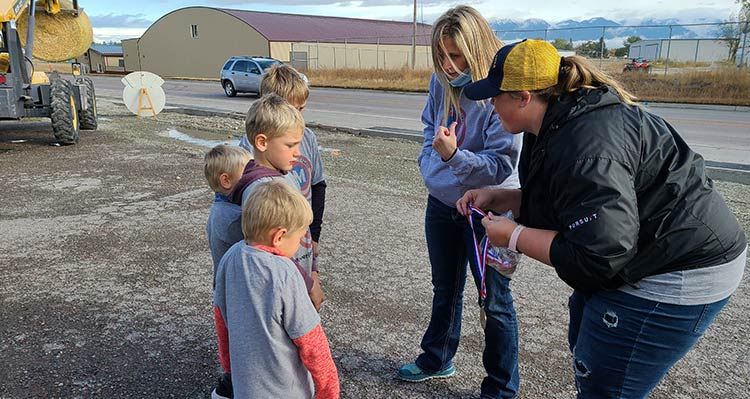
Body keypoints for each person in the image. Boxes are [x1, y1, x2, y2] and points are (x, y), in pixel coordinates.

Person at [458, 39, 747, 399]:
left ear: (524, 97)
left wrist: (514, 236)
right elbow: (577, 201)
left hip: (680, 268)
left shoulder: (584, 144)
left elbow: (599, 254)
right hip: (645, 249)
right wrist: (507, 198)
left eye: (496, 95)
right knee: (586, 341)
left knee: (605, 386)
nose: (491, 104)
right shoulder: (556, 121)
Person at [396, 6, 523, 399]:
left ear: (477, 49)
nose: (449, 66)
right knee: (444, 288)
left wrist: (452, 157)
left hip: (488, 211)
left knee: (495, 301)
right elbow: (427, 130)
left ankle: (501, 388)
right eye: (442, 56)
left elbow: (500, 169)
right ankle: (437, 358)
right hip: (441, 205)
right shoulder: (441, 82)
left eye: (457, 56)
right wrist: (431, 164)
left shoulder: (498, 91)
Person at [214, 179, 339, 399]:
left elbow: (221, 319)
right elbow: (311, 340)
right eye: (298, 238)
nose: (299, 245)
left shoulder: (230, 257)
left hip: (246, 387)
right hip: (287, 391)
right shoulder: (285, 272)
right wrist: (329, 391)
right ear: (279, 236)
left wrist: (229, 366)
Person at [251, 63, 328, 291]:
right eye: (292, 111)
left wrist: (314, 239)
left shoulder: (308, 137)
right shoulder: (251, 154)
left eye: (302, 109)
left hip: (302, 246)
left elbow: (318, 184)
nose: (299, 118)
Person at [203, 144, 252, 399]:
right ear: (226, 180)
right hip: (233, 295)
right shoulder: (234, 218)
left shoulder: (219, 209)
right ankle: (227, 388)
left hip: (224, 290)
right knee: (240, 345)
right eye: (247, 174)